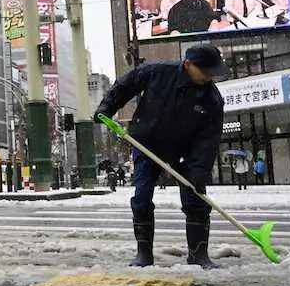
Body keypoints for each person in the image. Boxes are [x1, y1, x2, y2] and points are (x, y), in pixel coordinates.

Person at [94, 44, 227, 269]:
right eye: (205, 71)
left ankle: (198, 254)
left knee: (196, 197)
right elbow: (126, 85)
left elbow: (208, 141)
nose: (209, 76)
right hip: (147, 141)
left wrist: (197, 172)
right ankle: (143, 253)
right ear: (188, 65)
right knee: (142, 197)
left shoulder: (212, 100)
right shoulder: (158, 72)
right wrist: (107, 107)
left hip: (185, 149)